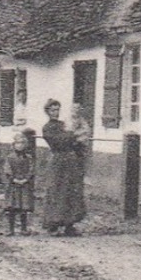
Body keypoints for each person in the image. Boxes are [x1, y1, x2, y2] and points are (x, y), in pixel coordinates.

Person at [41, 100, 87, 236]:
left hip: (71, 161)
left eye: (57, 109)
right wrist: (73, 136)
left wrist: (78, 145)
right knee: (56, 191)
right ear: (48, 112)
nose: (56, 112)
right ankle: (53, 225)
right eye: (53, 110)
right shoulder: (47, 127)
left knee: (71, 191)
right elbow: (58, 141)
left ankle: (69, 224)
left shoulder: (63, 125)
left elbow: (76, 140)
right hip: (58, 161)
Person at [3, 128, 35, 235]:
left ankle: (23, 228)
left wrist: (26, 179)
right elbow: (7, 169)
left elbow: (31, 169)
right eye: (17, 143)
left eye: (22, 143)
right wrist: (14, 179)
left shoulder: (28, 158)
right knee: (11, 207)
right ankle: (10, 229)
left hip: (25, 185)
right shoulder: (10, 157)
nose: (20, 145)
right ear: (14, 144)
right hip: (13, 185)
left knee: (24, 208)